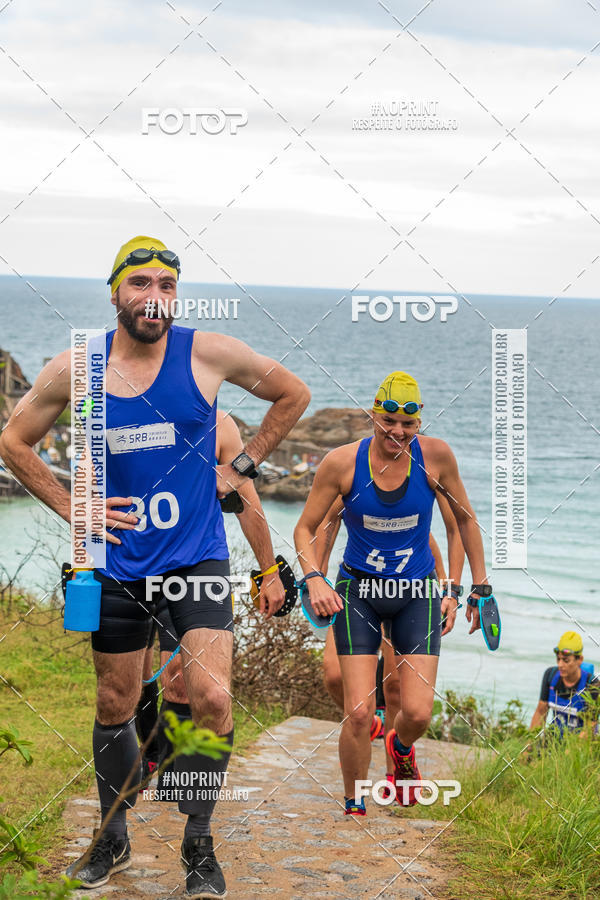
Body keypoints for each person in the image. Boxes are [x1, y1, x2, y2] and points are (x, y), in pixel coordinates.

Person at [0, 235, 310, 897]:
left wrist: (245, 465)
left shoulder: (206, 353)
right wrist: (71, 506)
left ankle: (198, 845)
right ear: (116, 292)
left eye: (167, 286)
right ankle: (112, 837)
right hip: (117, 566)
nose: (155, 298)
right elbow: (13, 441)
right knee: (116, 701)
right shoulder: (79, 368)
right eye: (141, 284)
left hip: (196, 559)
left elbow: (292, 395)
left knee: (215, 698)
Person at [294, 371, 493, 815]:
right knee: (359, 710)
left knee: (418, 712)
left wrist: (470, 589)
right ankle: (353, 804)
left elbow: (462, 521)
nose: (397, 432)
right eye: (388, 421)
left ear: (419, 422)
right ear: (373, 415)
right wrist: (314, 578)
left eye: (408, 424)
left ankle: (399, 746)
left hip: (415, 591)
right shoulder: (341, 464)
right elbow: (308, 527)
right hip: (358, 592)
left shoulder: (437, 457)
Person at [137, 409, 286, 781]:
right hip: (129, 562)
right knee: (134, 683)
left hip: (191, 567)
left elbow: (247, 502)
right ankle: (150, 752)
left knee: (180, 679)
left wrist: (269, 572)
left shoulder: (219, 424)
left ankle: (174, 780)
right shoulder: (125, 413)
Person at [315, 492, 464, 792]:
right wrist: (315, 577)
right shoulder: (351, 473)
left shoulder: (407, 480)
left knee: (395, 687)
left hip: (408, 591)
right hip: (357, 589)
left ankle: (395, 773)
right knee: (333, 675)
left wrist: (447, 588)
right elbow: (325, 524)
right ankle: (369, 725)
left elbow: (428, 540)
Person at [530, 631, 599, 736]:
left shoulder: (593, 684)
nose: (560, 665)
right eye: (558, 659)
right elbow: (540, 712)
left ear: (579, 659)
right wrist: (530, 745)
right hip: (555, 740)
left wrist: (572, 751)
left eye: (566, 661)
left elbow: (590, 725)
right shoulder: (550, 675)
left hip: (580, 743)